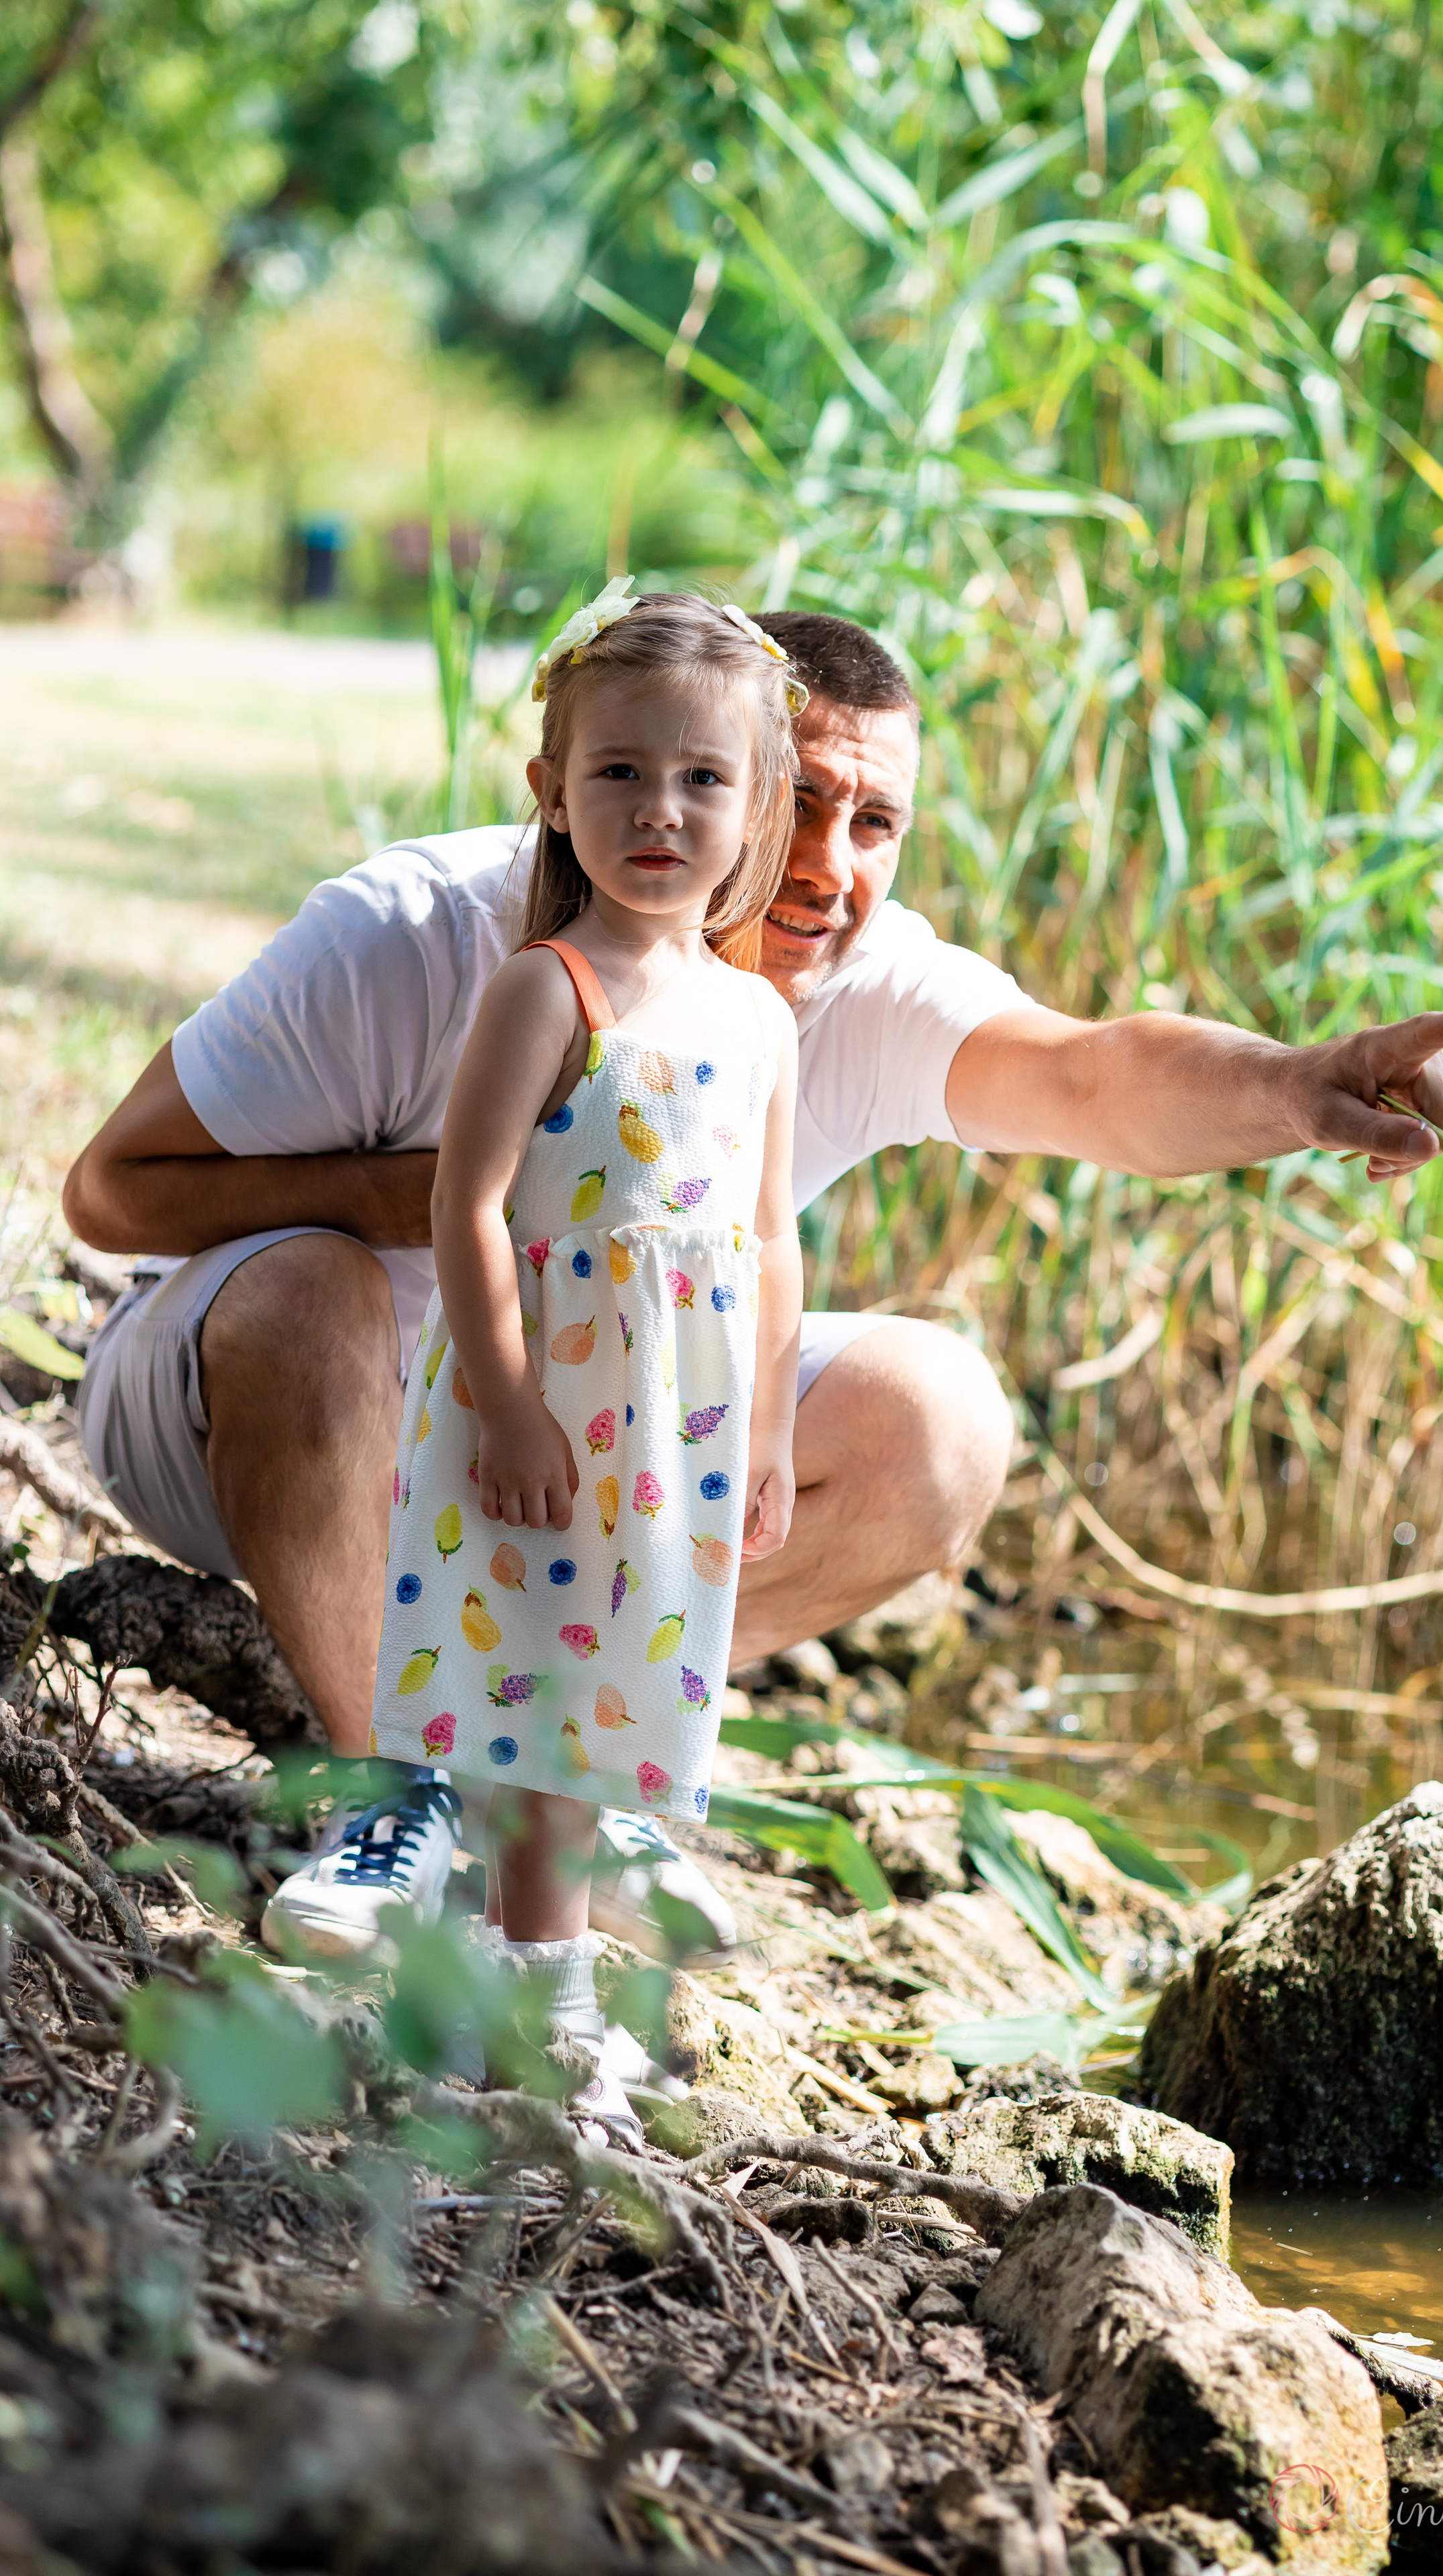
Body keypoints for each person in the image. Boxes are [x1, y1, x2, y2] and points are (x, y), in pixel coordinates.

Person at [64, 605, 1443, 1973]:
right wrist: (413, 1197)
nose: (829, 864)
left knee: (935, 1420)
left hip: (592, 1471)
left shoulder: (835, 987)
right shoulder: (430, 931)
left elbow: (1090, 1073)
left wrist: (1297, 1084)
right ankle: (400, 1790)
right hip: (251, 1413)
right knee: (315, 1293)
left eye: (875, 822)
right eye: (800, 800)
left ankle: (584, 1737)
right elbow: (113, 1192)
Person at [374, 579, 802, 2137]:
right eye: (617, 771)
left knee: (613, 1694)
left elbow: (767, 1239)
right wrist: (503, 1402)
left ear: (758, 809)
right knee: (531, 1688)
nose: (659, 811)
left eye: (702, 779)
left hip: (675, 1421)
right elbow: (465, 1204)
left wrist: (759, 1435)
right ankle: (533, 1990)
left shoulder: (755, 1018)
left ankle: (506, 1953)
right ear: (552, 789)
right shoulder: (542, 987)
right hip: (549, 1404)